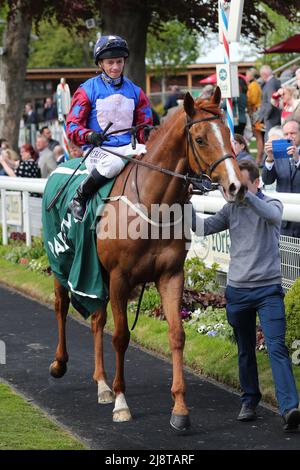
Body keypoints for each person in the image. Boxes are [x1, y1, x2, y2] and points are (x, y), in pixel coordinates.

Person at [191, 160, 300, 431]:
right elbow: (201, 228)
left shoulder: (272, 204)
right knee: (245, 350)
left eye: (241, 182)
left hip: (268, 291)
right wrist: (184, 201)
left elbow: (273, 217)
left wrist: (246, 195)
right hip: (238, 292)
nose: (234, 189)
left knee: (277, 347)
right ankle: (249, 400)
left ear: (256, 183)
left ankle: (290, 409)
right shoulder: (230, 210)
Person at [66, 35, 153, 221]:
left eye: (119, 62)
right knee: (113, 163)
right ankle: (79, 197)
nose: (115, 67)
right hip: (99, 150)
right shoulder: (86, 90)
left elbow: (145, 125)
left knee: (156, 159)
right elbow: (72, 125)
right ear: (101, 64)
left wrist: (144, 132)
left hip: (128, 147)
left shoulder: (136, 92)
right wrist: (89, 136)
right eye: (110, 62)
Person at [262, 119, 300, 237]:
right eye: (286, 134)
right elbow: (267, 180)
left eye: (293, 133)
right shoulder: (278, 154)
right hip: (284, 222)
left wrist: (297, 159)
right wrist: (269, 158)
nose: (289, 137)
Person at [246, 68, 264, 166]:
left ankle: (258, 159)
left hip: (256, 112)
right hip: (255, 112)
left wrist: (246, 100)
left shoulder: (253, 85)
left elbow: (252, 100)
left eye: (247, 75)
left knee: (258, 136)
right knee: (258, 136)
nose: (246, 77)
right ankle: (259, 159)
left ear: (252, 76)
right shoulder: (254, 85)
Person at [258, 65, 281, 140]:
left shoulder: (271, 83)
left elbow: (271, 102)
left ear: (264, 74)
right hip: (274, 117)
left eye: (261, 75)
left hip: (271, 118)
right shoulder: (275, 81)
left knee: (269, 141)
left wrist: (265, 117)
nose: (262, 77)